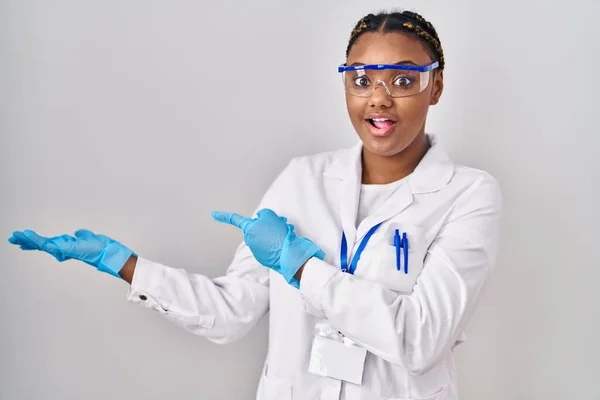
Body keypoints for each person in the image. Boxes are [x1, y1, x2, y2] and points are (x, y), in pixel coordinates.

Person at [8, 10, 502, 400]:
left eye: (403, 80)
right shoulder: (302, 179)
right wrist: (125, 265)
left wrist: (302, 269)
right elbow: (232, 312)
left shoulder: (468, 195)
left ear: (435, 85)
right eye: (361, 79)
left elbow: (420, 339)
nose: (379, 98)